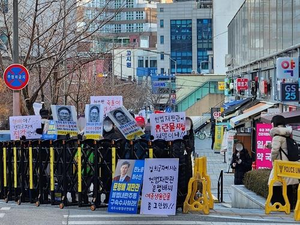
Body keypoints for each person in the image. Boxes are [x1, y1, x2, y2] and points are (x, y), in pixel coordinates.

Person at [267, 115, 299, 209]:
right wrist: (270, 146)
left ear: (274, 123)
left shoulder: (277, 135)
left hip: (280, 165)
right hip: (289, 164)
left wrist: (273, 159)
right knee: (288, 185)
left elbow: (275, 150)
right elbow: (283, 147)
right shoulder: (287, 134)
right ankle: (289, 205)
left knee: (273, 184)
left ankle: (278, 204)